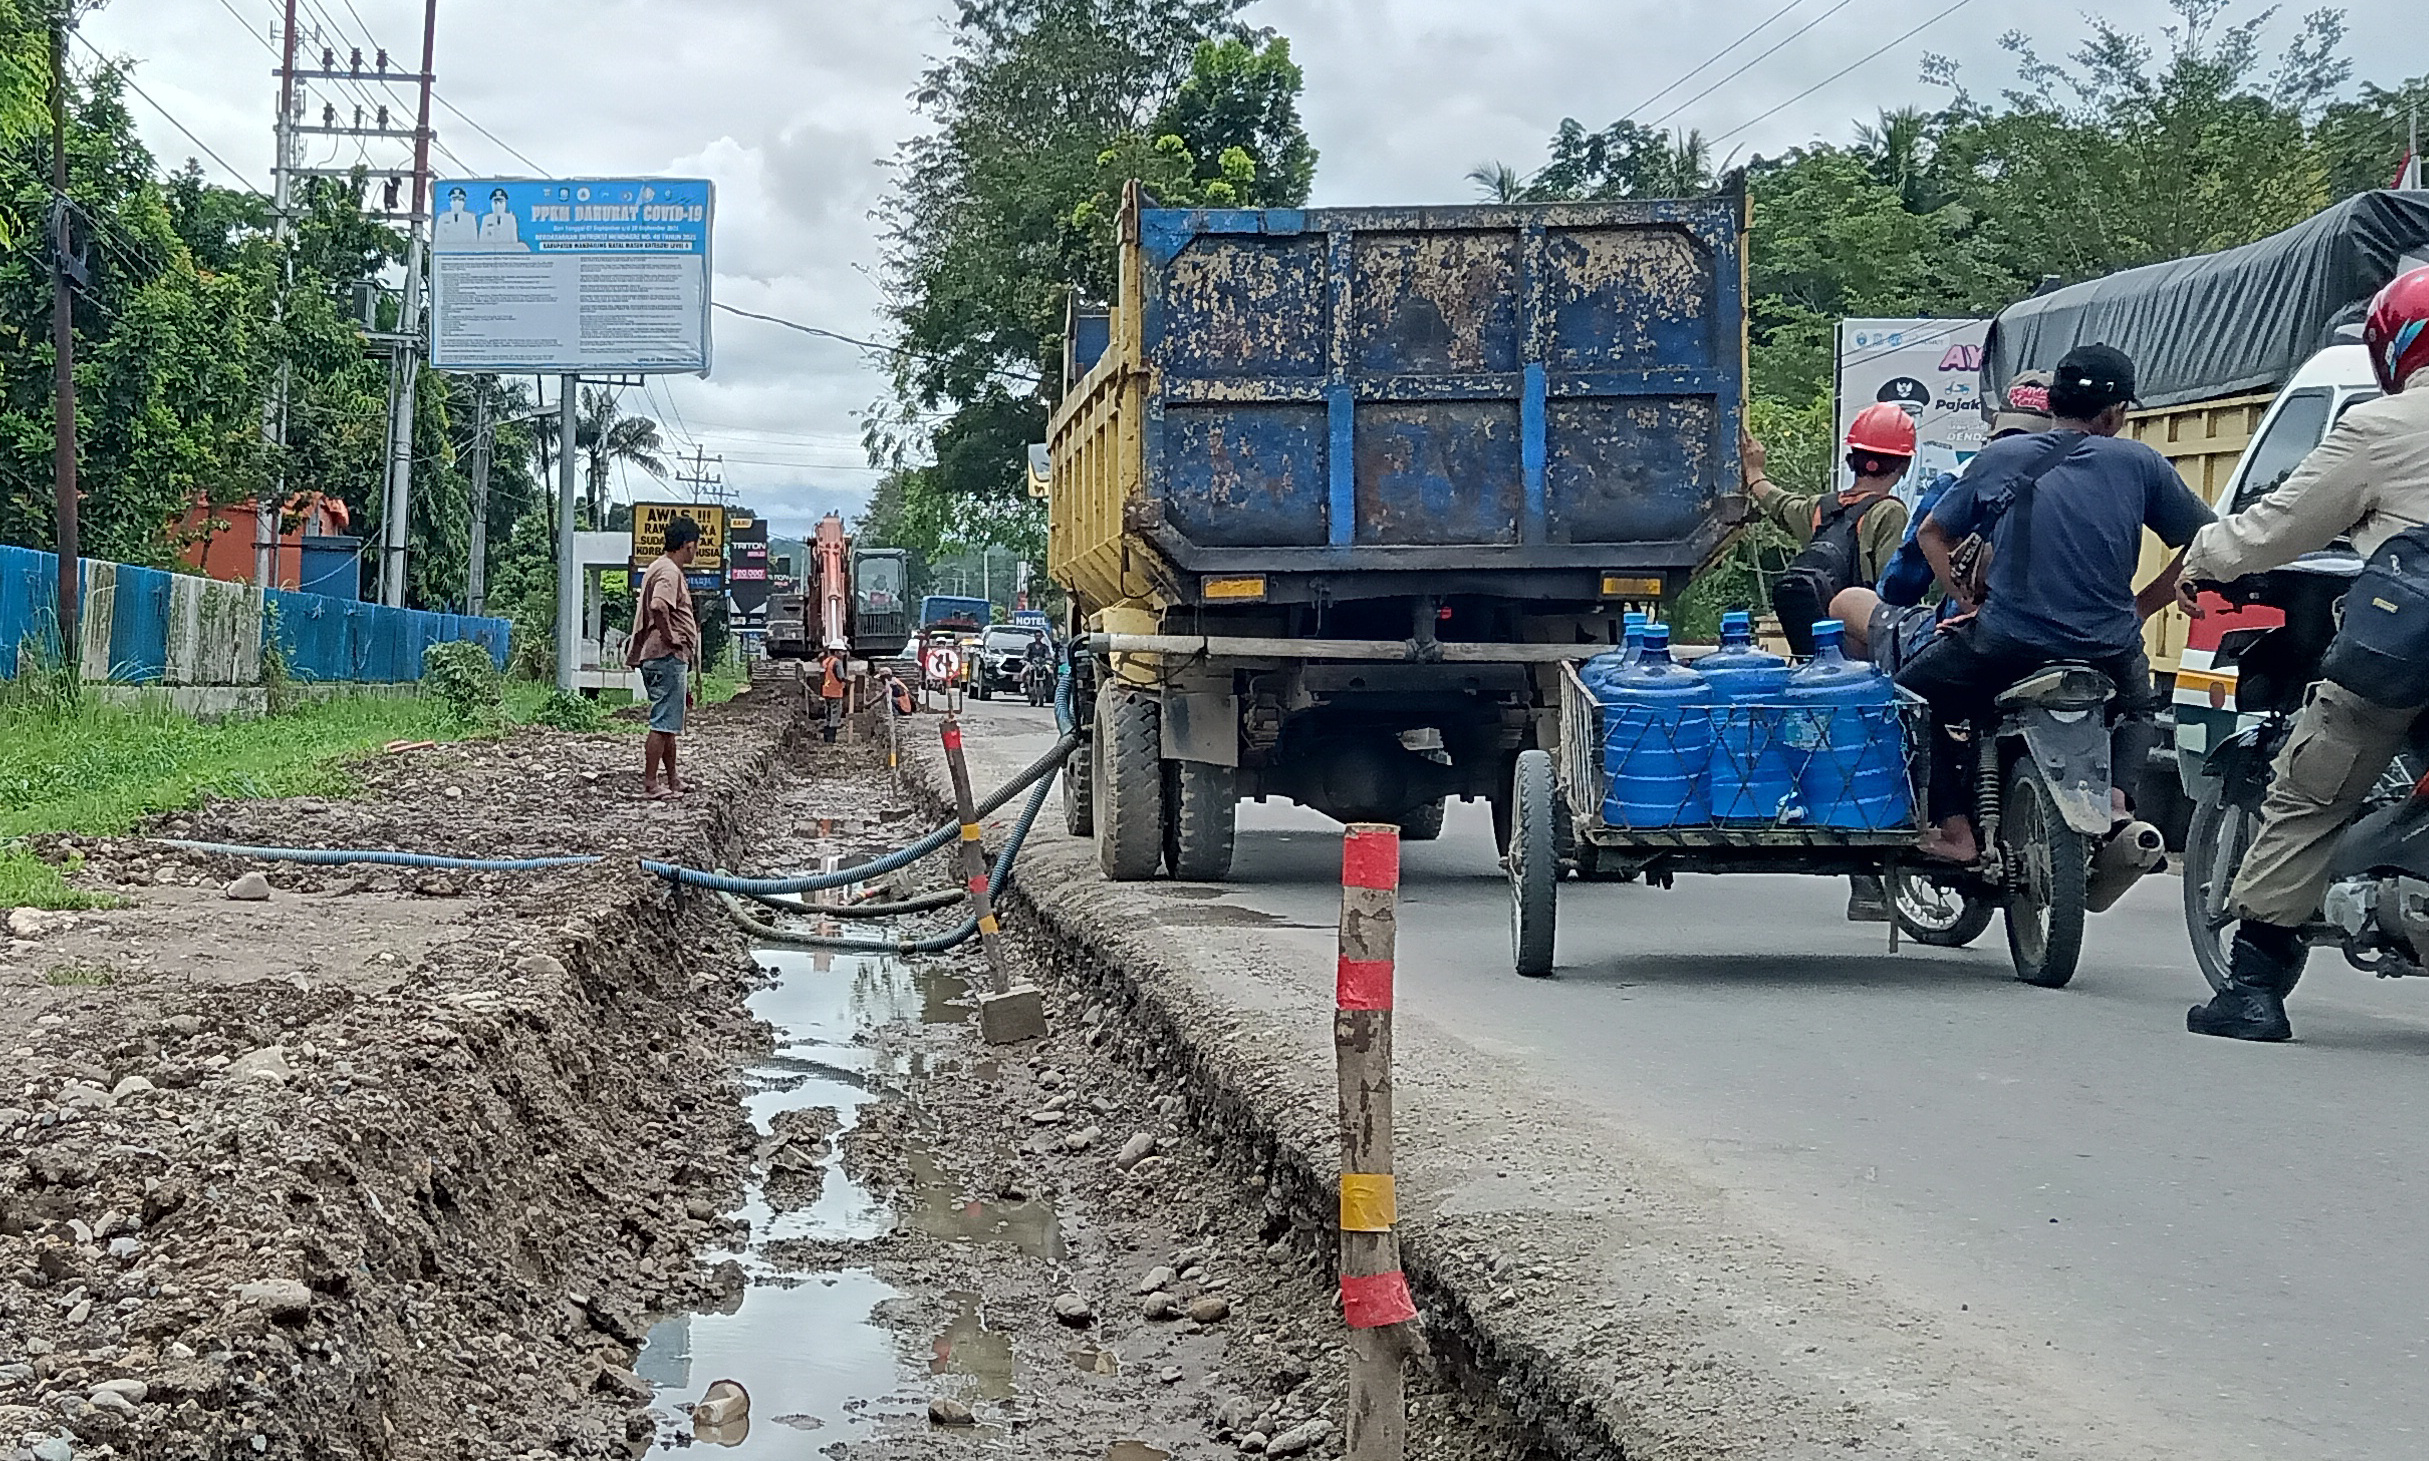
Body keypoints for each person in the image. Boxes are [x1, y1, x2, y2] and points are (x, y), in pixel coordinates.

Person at [2179, 267, 2429, 1041]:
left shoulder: (2382, 426)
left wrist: (2204, 557)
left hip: (2404, 653)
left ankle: (2252, 986)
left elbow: (2277, 524)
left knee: (2310, 788)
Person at [1895, 344, 2212, 864]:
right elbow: (2205, 540)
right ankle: (2115, 802)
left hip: (2005, 641)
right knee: (2138, 707)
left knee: (1912, 697)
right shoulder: (2141, 464)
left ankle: (1955, 831)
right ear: (2115, 414)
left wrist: (1965, 598)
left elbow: (1933, 534)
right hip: (2107, 645)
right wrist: (2143, 607)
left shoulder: (1999, 458)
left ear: (2051, 404)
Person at [1836, 371, 2056, 674]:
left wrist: (1962, 601)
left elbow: (1902, 584)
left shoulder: (1959, 479)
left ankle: (1879, 717)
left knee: (1847, 604)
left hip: (1972, 634)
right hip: (2076, 636)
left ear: (1996, 425)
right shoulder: (2092, 482)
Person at [1744, 403, 1916, 656]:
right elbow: (1892, 589)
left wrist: (1754, 472)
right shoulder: (1890, 511)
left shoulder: (1821, 509)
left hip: (1819, 643)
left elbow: (1780, 504)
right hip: (1859, 647)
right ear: (1904, 466)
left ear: (1851, 460)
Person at [628, 515, 702, 798]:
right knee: (662, 723)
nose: (696, 551)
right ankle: (651, 784)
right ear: (688, 545)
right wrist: (671, 638)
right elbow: (659, 606)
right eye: (695, 545)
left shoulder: (658, 567)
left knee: (670, 723)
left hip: (666, 658)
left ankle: (673, 779)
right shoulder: (670, 572)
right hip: (665, 656)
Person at [817, 645, 849, 743]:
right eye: (841, 651)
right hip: (835, 691)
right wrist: (849, 681)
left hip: (827, 691)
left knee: (828, 714)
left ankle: (826, 738)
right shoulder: (837, 662)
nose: (843, 654)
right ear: (836, 652)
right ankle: (831, 739)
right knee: (835, 714)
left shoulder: (827, 661)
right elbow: (840, 676)